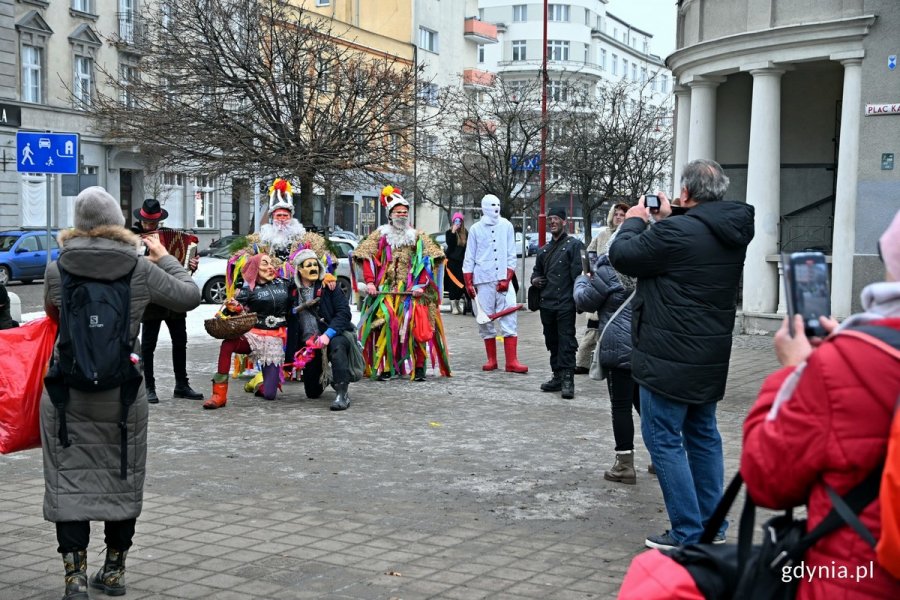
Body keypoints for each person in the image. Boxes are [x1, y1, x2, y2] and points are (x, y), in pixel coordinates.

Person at [40, 186, 201, 600]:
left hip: (66, 392)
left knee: (68, 480)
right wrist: (163, 255)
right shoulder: (138, 268)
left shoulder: (58, 267)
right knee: (122, 477)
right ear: (116, 221)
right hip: (123, 393)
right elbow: (189, 296)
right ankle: (113, 572)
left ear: (79, 223)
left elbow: (54, 316)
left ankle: (74, 578)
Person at [740, 210, 900, 599]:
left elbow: (767, 479)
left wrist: (795, 372)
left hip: (860, 576)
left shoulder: (848, 362)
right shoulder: (851, 353)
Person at [608, 158, 755, 550]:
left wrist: (636, 218)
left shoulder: (673, 233)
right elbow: (694, 240)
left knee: (663, 438)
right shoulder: (732, 230)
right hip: (708, 356)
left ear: (686, 192)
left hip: (667, 356)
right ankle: (713, 525)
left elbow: (623, 255)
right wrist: (677, 213)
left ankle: (687, 532)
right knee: (704, 436)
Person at [354, 185, 450, 381]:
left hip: (413, 291)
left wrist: (420, 285)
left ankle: (420, 367)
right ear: (390, 214)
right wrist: (371, 283)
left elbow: (432, 258)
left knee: (417, 325)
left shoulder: (418, 236)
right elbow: (365, 255)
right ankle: (388, 367)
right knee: (386, 323)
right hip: (386, 291)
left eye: (405, 212)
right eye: (398, 212)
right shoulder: (380, 235)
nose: (402, 215)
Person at [573, 241, 641, 484]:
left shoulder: (608, 270)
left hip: (618, 347)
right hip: (646, 345)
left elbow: (584, 301)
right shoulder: (650, 266)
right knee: (646, 405)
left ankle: (624, 464)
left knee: (621, 406)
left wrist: (582, 279)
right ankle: (661, 455)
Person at [130, 198, 203, 403]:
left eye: (153, 223)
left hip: (174, 295)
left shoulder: (169, 235)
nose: (150, 226)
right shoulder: (133, 238)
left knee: (180, 341)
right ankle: (149, 386)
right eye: (146, 223)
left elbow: (182, 267)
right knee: (148, 344)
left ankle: (181, 385)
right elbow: (131, 264)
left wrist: (191, 265)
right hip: (152, 297)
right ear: (140, 219)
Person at [204, 253, 293, 409]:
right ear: (255, 268)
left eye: (271, 263)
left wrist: (325, 278)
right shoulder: (247, 290)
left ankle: (256, 383)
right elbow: (229, 313)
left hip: (274, 339)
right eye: (265, 264)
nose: (270, 267)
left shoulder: (284, 283)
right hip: (253, 336)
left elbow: (305, 285)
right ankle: (219, 395)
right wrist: (233, 307)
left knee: (270, 395)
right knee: (228, 344)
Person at [463, 194, 528, 374]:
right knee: (484, 318)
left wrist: (506, 278)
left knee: (509, 317)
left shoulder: (506, 226)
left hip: (503, 281)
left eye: (498, 204)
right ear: (484, 207)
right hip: (483, 280)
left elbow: (511, 253)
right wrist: (468, 281)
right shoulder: (475, 229)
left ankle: (511, 361)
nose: (496, 208)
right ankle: (491, 359)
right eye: (492, 205)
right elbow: (469, 256)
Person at [292, 249, 355, 411]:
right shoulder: (291, 290)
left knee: (338, 345)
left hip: (332, 336)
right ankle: (328, 377)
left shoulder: (329, 286)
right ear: (299, 269)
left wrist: (328, 335)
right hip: (309, 345)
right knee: (312, 393)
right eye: (308, 265)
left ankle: (342, 394)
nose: (313, 268)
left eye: (316, 264)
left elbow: (344, 313)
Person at [530, 207, 584, 398]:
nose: (552, 222)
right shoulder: (543, 249)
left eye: (556, 219)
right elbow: (536, 272)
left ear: (564, 222)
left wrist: (579, 300)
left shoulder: (574, 246)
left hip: (565, 303)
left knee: (567, 342)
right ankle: (557, 376)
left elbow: (578, 276)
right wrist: (534, 280)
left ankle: (568, 379)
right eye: (550, 219)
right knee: (552, 341)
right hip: (547, 303)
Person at [575, 203, 628, 374]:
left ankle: (607, 362)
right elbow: (590, 254)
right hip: (601, 283)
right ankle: (582, 362)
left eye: (622, 215)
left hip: (621, 287)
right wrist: (591, 272)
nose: (618, 217)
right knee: (593, 326)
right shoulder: (603, 235)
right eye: (616, 214)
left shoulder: (629, 235)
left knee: (611, 328)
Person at [445, 212, 469, 315]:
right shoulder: (449, 232)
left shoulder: (466, 233)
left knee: (461, 285)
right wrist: (453, 231)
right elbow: (450, 245)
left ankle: (458, 302)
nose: (457, 223)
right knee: (452, 285)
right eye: (456, 221)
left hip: (462, 263)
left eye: (459, 221)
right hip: (452, 262)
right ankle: (453, 305)